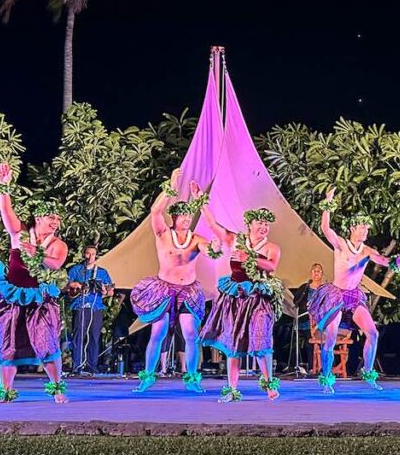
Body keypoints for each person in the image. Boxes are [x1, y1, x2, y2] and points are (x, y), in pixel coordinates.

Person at [0, 162, 70, 404]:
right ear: (38, 217)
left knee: (46, 343)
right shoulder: (20, 234)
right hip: (12, 297)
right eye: (51, 217)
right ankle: (4, 393)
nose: (55, 222)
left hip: (39, 299)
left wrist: (36, 254)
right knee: (8, 345)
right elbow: (6, 211)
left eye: (57, 218)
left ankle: (57, 389)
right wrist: (3, 187)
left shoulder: (58, 244)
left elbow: (56, 264)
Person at [310, 188, 400, 393]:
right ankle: (327, 379)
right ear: (352, 228)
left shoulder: (367, 250)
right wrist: (328, 203)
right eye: (362, 227)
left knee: (373, 333)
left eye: (367, 229)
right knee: (331, 336)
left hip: (354, 295)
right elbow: (325, 228)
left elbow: (383, 260)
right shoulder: (341, 244)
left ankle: (368, 372)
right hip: (336, 294)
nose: (365, 231)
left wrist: (396, 263)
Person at [197, 180, 284, 402]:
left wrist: (250, 258)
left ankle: (269, 385)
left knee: (260, 339)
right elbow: (212, 224)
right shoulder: (235, 240)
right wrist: (200, 201)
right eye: (259, 223)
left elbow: (272, 266)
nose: (263, 227)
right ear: (250, 224)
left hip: (259, 297)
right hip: (235, 298)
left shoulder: (272, 247)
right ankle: (232, 390)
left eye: (267, 224)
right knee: (233, 342)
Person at [130, 169, 214, 394]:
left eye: (189, 215)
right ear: (174, 217)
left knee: (190, 333)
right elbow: (155, 210)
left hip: (189, 290)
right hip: (164, 288)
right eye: (182, 215)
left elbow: (207, 249)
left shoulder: (196, 238)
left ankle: (192, 378)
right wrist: (172, 183)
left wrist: (212, 249)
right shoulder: (163, 233)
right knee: (158, 332)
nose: (187, 219)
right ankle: (148, 377)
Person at [66, 246, 114, 375]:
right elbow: (65, 285)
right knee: (78, 337)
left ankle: (92, 365)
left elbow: (110, 292)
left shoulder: (102, 272)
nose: (90, 256)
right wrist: (75, 285)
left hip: (95, 307)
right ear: (84, 254)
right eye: (88, 253)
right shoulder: (76, 270)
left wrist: (105, 290)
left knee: (94, 336)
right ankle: (77, 365)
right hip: (80, 306)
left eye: (93, 254)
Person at [292, 263, 324, 368]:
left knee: (324, 341)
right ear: (311, 274)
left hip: (322, 321)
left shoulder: (325, 288)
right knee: (309, 341)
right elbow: (296, 301)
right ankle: (312, 367)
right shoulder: (305, 288)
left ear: (322, 274)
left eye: (318, 271)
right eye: (314, 271)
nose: (316, 273)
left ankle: (323, 367)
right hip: (306, 321)